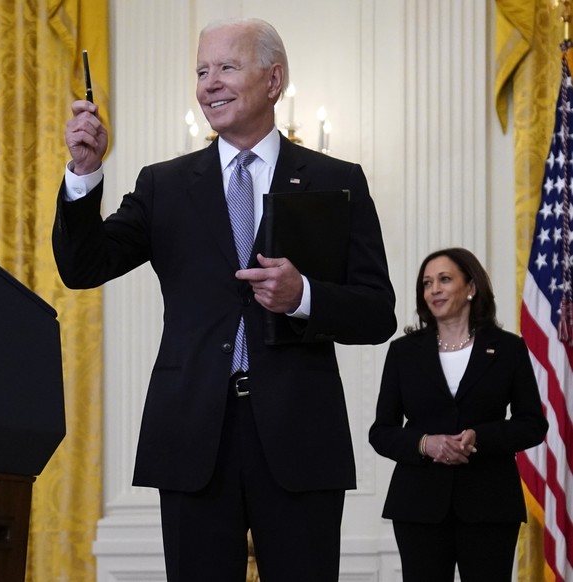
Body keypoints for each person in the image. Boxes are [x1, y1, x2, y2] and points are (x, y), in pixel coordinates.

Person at [54, 17, 396, 581]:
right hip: (192, 434)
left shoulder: (335, 179)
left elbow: (377, 311)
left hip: (298, 435)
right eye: (201, 71)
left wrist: (303, 296)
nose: (210, 83)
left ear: (273, 80)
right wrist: (84, 176)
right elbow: (83, 267)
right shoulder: (163, 185)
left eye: (227, 67)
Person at [369, 248, 548, 581]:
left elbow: (532, 425)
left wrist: (480, 437)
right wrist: (425, 444)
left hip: (490, 503)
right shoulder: (403, 352)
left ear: (471, 287)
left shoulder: (508, 349)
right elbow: (381, 431)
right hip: (418, 505)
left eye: (444, 279)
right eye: (427, 283)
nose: (434, 289)